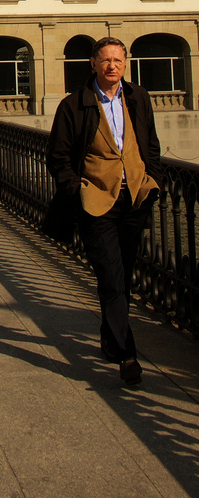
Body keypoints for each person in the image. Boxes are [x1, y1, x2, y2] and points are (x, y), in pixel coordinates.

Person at [46, 37, 162, 388]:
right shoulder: (74, 105)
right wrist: (76, 190)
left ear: (125, 64)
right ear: (93, 64)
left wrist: (150, 178)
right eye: (105, 60)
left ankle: (110, 338)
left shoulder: (138, 98)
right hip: (95, 203)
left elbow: (150, 144)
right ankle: (127, 355)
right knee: (111, 277)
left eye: (118, 60)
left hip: (133, 200)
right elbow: (58, 156)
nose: (112, 66)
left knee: (122, 275)